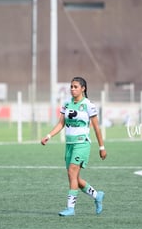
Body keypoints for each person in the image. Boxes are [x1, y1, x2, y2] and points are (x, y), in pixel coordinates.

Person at [41, 76, 107, 216]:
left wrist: (101, 147)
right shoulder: (66, 104)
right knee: (74, 178)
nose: (72, 89)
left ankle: (70, 208)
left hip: (82, 144)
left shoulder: (89, 105)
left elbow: (96, 128)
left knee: (72, 172)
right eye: (71, 87)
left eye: (75, 87)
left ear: (83, 89)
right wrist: (48, 136)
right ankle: (97, 195)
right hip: (69, 144)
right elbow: (61, 124)